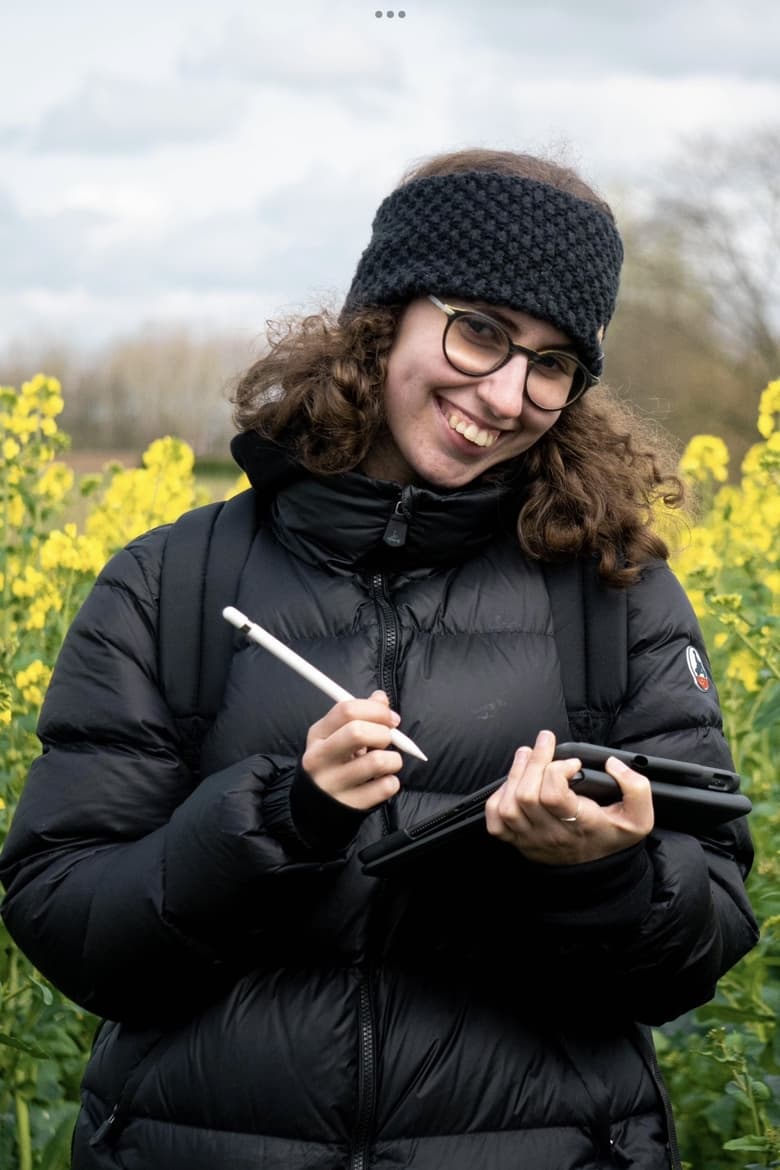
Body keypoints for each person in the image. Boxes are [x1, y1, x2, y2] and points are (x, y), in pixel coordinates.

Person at [0, 148, 758, 1170]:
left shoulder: (615, 596)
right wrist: (281, 819)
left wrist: (605, 874)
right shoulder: (172, 582)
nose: (505, 393)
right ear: (384, 316)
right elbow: (67, 922)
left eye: (551, 363)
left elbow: (700, 943)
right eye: (480, 330)